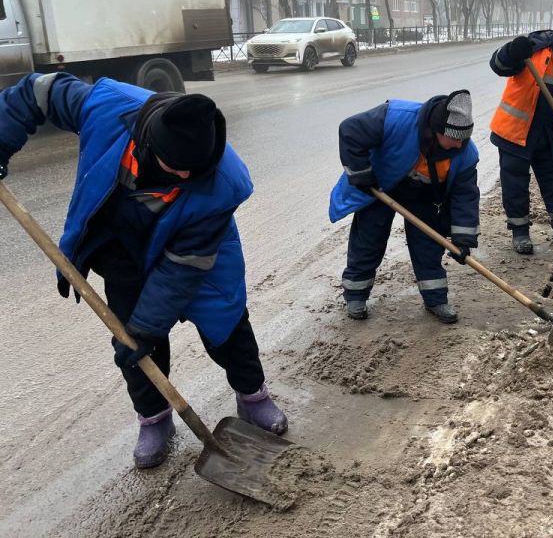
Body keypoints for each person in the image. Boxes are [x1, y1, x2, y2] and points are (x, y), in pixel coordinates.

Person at [0, 73, 287, 470]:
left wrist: (149, 326)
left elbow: (182, 268)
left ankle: (253, 395)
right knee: (132, 344)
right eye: (177, 168)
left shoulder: (224, 182)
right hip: (119, 246)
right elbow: (37, 92)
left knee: (226, 322)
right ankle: (155, 418)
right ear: (148, 143)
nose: (186, 176)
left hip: (197, 252)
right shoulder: (108, 106)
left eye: (195, 169)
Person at [329, 90, 480, 323]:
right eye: (455, 138)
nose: (460, 144)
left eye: (464, 139)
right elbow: (350, 130)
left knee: (428, 247)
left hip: (425, 196)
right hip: (381, 187)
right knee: (369, 240)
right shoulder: (396, 118)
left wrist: (462, 239)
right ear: (438, 132)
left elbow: (465, 196)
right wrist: (361, 173)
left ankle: (436, 299)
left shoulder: (465, 154)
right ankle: (355, 295)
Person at [489, 17, 553, 256]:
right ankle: (520, 233)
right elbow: (498, 66)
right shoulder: (534, 48)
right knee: (515, 183)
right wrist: (510, 52)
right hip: (516, 131)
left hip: (548, 132)